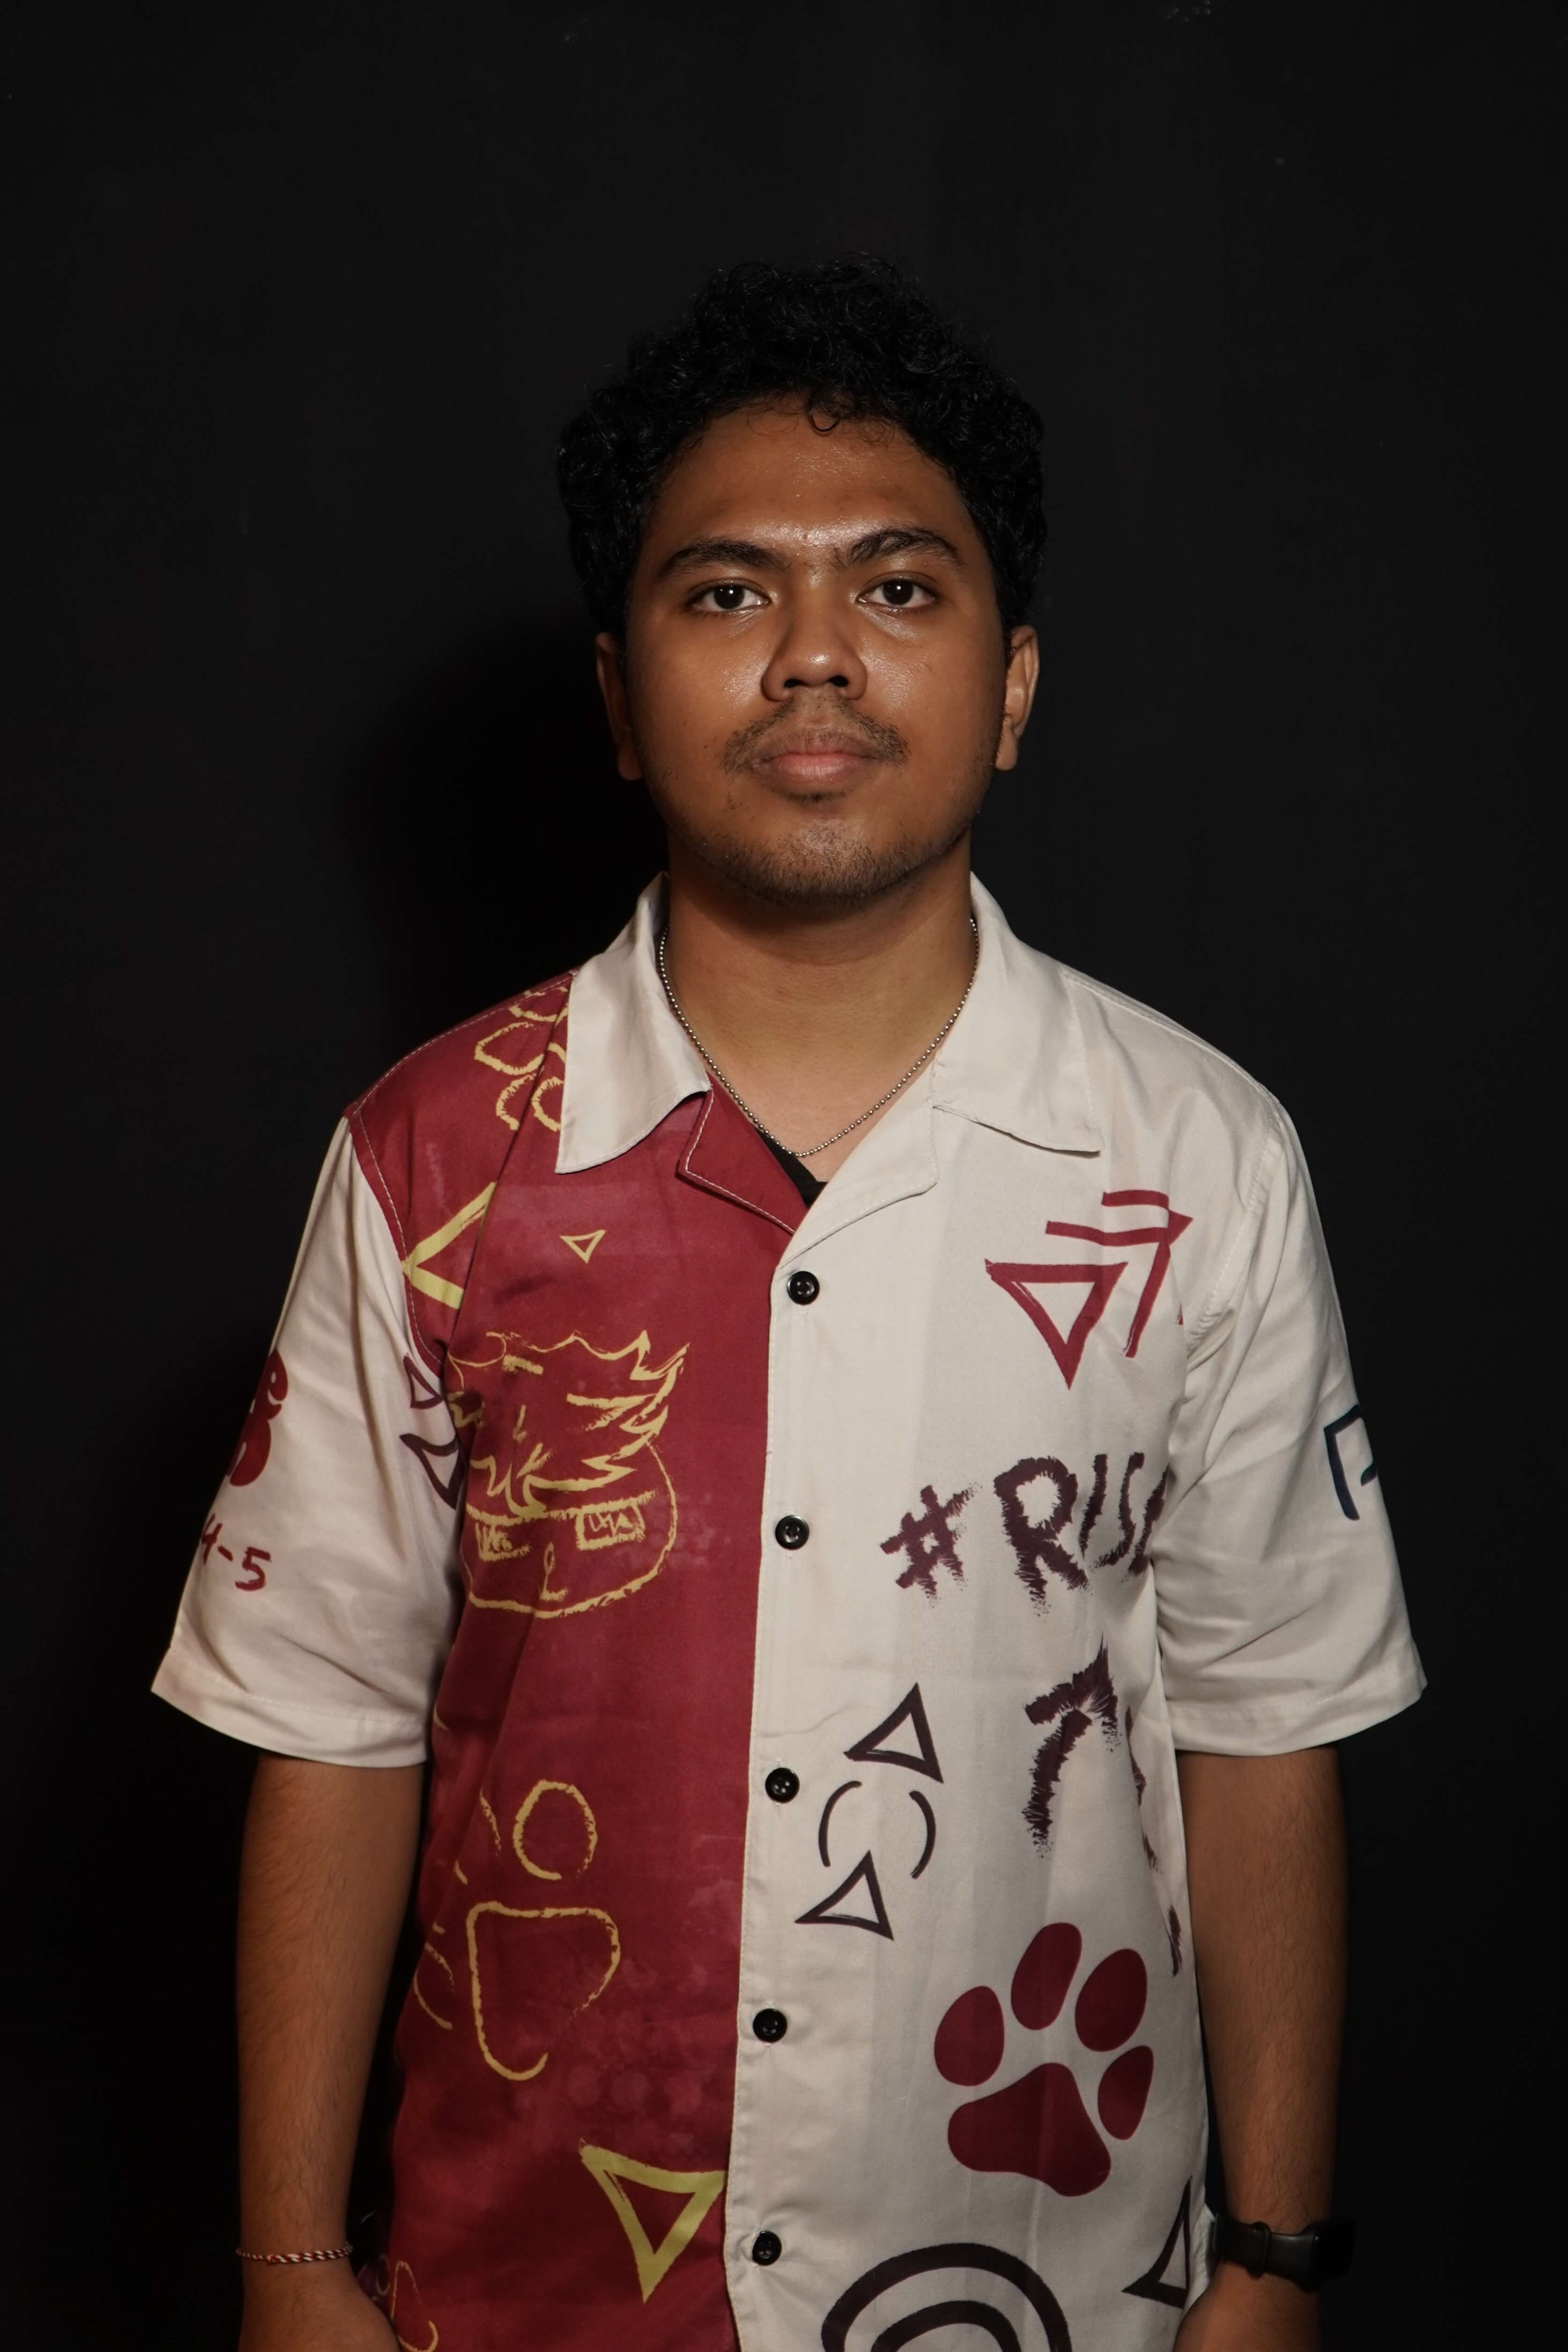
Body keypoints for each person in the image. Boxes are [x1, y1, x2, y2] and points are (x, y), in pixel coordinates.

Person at [154, 258, 1422, 2352]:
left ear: (1013, 686)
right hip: (523, 2292)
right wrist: (290, 2271)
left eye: (900, 589)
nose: (816, 653)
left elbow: (1263, 1723)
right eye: (730, 592)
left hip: (1052, 2283)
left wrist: (1272, 2262)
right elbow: (330, 1723)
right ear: (618, 696)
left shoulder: (1198, 1160)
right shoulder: (432, 1157)